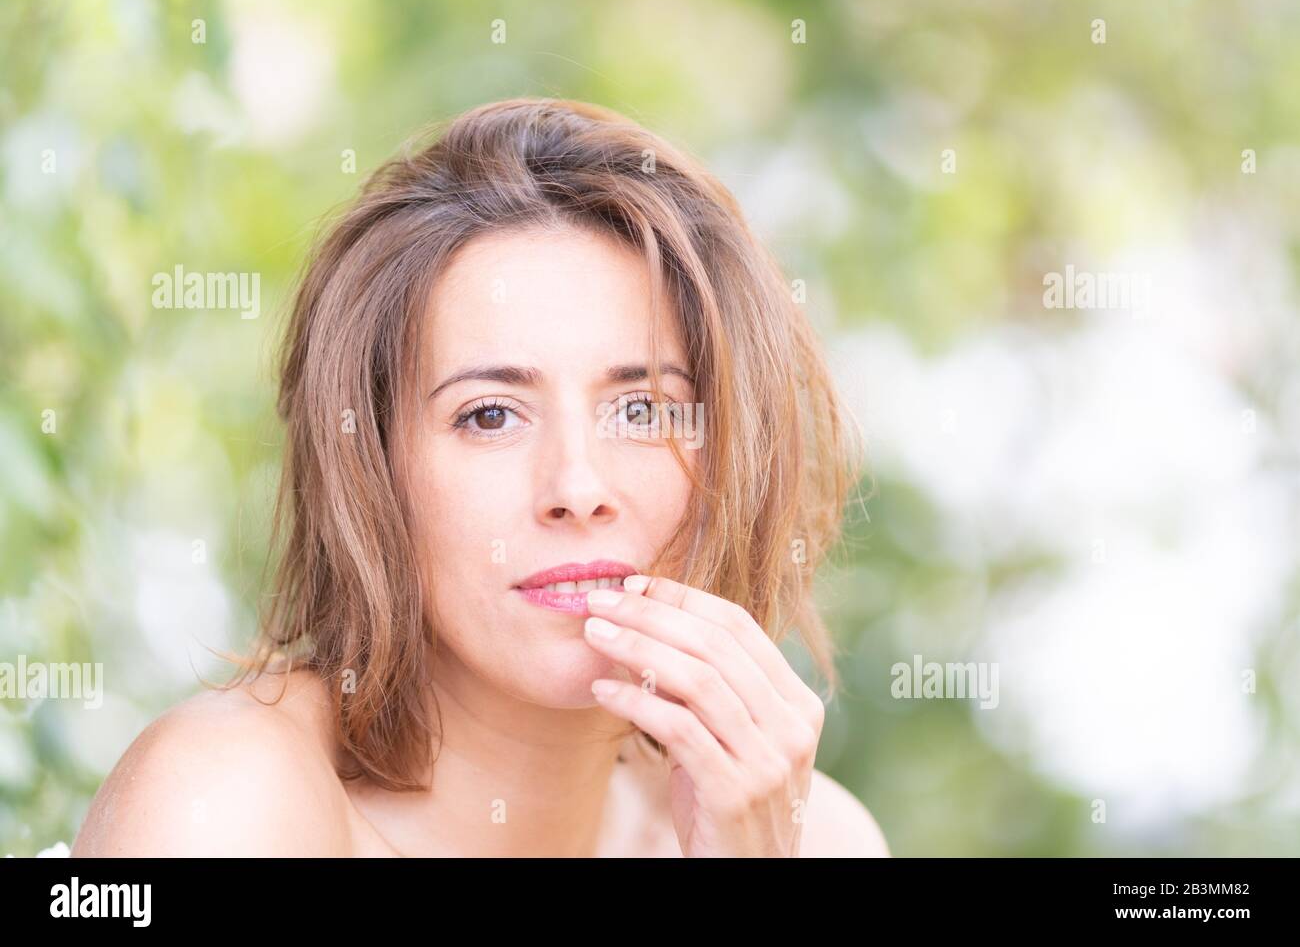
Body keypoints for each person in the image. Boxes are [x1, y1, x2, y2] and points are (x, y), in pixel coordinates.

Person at [71, 97, 889, 857]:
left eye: (643, 411)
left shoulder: (811, 834)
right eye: (490, 415)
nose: (576, 486)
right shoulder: (223, 801)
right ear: (375, 471)